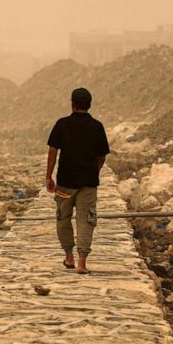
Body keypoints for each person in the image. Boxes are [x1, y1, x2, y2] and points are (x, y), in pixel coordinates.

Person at [44, 87, 110, 275]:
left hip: (65, 183)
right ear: (89, 105)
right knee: (86, 220)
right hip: (88, 184)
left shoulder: (62, 124)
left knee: (63, 218)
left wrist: (49, 176)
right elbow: (102, 156)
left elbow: (52, 151)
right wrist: (92, 171)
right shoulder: (97, 127)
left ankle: (69, 257)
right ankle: (82, 262)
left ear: (72, 103)